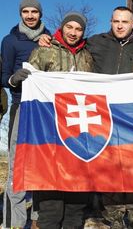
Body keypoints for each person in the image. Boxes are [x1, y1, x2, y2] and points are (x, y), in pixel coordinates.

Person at [39, 6, 133, 228]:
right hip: (100, 117)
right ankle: (108, 216)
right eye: (116, 21)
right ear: (110, 22)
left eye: (125, 22)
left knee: (132, 168)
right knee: (105, 166)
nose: (120, 25)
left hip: (130, 120)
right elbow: (70, 45)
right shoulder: (95, 42)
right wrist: (47, 38)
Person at [23, 12, 93, 229]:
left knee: (75, 204)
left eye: (78, 29)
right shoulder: (44, 50)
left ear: (83, 32)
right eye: (69, 27)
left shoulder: (88, 57)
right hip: (50, 133)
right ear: (62, 27)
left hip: (79, 133)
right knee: (51, 203)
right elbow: (30, 83)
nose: (73, 32)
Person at [1, 0, 50, 229]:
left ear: (41, 14)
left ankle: (38, 219)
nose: (30, 16)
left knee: (42, 164)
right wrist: (13, 78)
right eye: (26, 12)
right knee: (16, 166)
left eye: (34, 12)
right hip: (21, 106)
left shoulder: (50, 39)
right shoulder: (10, 41)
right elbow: (2, 77)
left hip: (45, 111)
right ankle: (14, 222)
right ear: (21, 14)